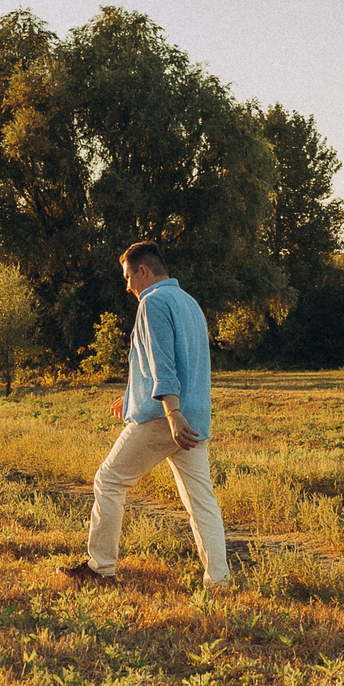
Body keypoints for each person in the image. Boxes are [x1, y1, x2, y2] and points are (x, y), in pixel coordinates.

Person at [62, 241, 230, 587]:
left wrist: (171, 413)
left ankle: (100, 569)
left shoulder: (153, 302)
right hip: (194, 417)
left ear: (143, 271)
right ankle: (219, 581)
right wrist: (131, 397)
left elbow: (163, 363)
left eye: (128, 278)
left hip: (165, 417)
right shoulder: (189, 303)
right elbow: (175, 363)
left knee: (109, 480)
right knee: (201, 502)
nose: (127, 287)